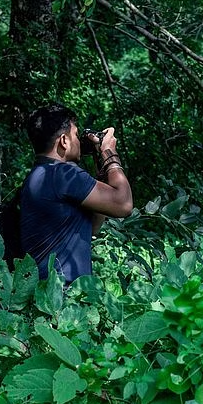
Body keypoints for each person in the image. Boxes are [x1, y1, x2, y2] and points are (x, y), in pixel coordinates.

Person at [19, 104, 133, 283]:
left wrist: (100, 164)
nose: (79, 141)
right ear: (64, 141)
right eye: (76, 135)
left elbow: (93, 225)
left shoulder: (41, 175)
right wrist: (108, 152)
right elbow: (124, 204)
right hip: (62, 297)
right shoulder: (63, 174)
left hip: (46, 295)